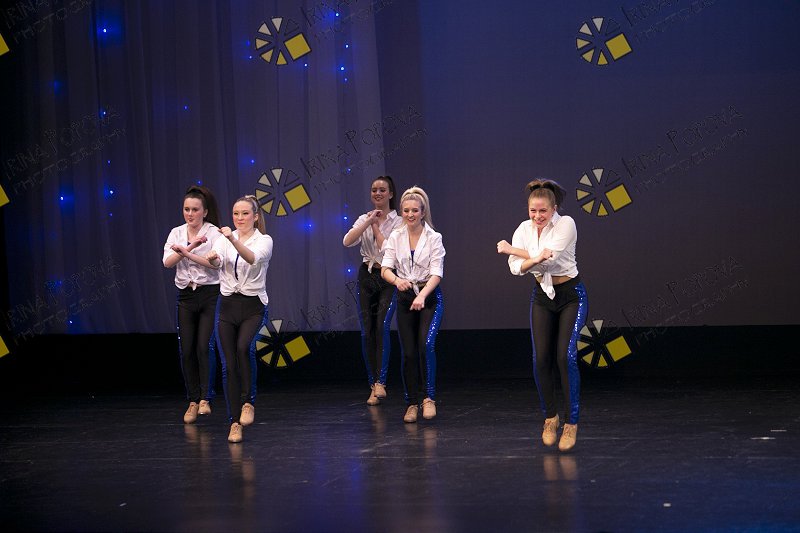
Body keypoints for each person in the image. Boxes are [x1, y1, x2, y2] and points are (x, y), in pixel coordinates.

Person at [497, 179, 588, 452]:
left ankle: (571, 422)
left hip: (571, 295)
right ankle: (551, 417)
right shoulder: (524, 229)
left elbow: (549, 260)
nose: (537, 216)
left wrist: (513, 250)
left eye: (543, 211)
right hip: (542, 296)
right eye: (533, 211)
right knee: (540, 359)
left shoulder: (566, 224)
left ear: (554, 208)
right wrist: (530, 258)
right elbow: (516, 269)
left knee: (565, 357)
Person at [206, 195, 273, 443]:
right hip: (227, 306)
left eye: (245, 214)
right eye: (236, 214)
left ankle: (248, 402)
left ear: (255, 216)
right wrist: (211, 258)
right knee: (228, 365)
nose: (240, 218)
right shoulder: (224, 239)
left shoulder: (264, 240)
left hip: (253, 306)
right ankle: (234, 422)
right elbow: (216, 262)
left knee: (244, 348)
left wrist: (232, 239)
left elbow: (251, 258)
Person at [381, 186, 445, 423]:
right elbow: (385, 268)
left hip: (429, 297)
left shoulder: (434, 237)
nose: (410, 214)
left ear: (422, 212)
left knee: (425, 345)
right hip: (405, 296)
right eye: (406, 210)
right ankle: (411, 403)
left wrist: (422, 295)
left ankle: (429, 398)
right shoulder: (395, 237)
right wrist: (397, 281)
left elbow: (437, 273)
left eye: (415, 210)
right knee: (408, 352)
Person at [163, 186, 222, 424]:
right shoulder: (176, 233)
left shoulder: (214, 233)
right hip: (186, 296)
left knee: (204, 345)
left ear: (204, 212)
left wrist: (187, 252)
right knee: (186, 349)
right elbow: (168, 262)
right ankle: (193, 400)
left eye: (195, 210)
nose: (190, 214)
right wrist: (190, 247)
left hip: (210, 294)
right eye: (186, 209)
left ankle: (206, 398)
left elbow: (216, 264)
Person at [343, 176, 403, 406]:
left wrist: (376, 226)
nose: (377, 193)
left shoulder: (399, 222)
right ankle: (372, 384)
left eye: (382, 190)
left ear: (390, 194)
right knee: (367, 330)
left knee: (382, 326)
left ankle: (381, 382)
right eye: (374, 190)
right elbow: (347, 241)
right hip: (366, 275)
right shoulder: (364, 218)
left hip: (388, 275)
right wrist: (368, 221)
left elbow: (386, 249)